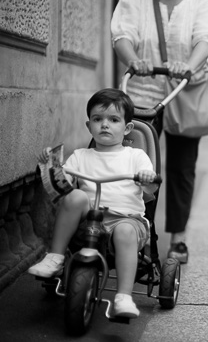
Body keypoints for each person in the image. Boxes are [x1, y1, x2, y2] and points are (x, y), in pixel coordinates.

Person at [110, 0, 208, 264]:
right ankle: (140, 237)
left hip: (183, 94)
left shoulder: (203, 1)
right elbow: (122, 37)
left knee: (181, 168)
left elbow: (205, 39)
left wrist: (187, 65)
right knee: (141, 168)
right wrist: (135, 61)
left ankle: (178, 239)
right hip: (143, 96)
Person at [28, 89, 158, 319]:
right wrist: (51, 167)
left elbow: (150, 189)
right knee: (76, 196)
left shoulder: (136, 156)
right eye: (98, 119)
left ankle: (124, 296)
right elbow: (63, 186)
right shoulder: (80, 156)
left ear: (127, 129)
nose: (105, 125)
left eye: (114, 120)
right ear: (89, 126)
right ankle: (55, 257)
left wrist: (146, 177)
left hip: (126, 220)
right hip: (88, 221)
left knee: (126, 230)